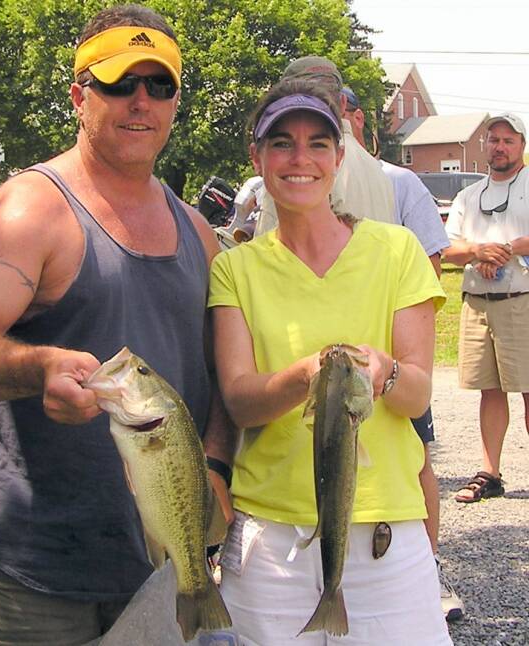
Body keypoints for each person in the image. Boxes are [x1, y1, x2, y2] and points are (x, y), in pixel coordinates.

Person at [0, 5, 233, 644]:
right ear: (80, 94)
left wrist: (216, 468)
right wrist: (37, 367)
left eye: (159, 85)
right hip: (33, 569)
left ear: (176, 102)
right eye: (120, 82)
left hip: (156, 565)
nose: (140, 101)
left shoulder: (198, 232)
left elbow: (217, 377)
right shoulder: (29, 209)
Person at [209, 79, 450, 644]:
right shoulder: (235, 269)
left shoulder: (397, 251)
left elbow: (417, 395)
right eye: (281, 143)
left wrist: (384, 372)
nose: (301, 159)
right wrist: (308, 376)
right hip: (269, 544)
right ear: (257, 157)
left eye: (319, 143)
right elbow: (241, 402)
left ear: (340, 157)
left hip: (383, 537)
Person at [343, 86, 464, 621]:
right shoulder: (278, 177)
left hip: (389, 352)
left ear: (358, 118)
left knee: (415, 458)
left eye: (338, 107)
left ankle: (428, 572)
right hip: (319, 356)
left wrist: (399, 344)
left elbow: (430, 263)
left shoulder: (399, 180)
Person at [443, 113, 529, 505]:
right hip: (478, 303)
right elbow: (448, 247)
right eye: (493, 140)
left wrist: (507, 249)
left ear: (522, 145)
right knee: (489, 391)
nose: (499, 146)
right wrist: (478, 252)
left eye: (508, 140)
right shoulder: (468, 195)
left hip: (521, 299)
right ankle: (489, 473)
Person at [254, 56, 395, 237]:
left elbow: (270, 253)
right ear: (343, 103)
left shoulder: (292, 170)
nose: (301, 158)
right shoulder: (376, 169)